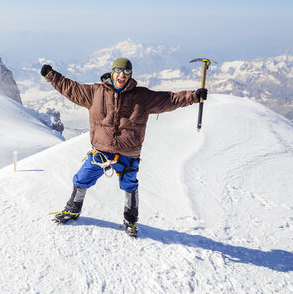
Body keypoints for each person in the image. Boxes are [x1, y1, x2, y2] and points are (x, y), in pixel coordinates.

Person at [41, 58, 207, 237]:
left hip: (127, 153)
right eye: (119, 71)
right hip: (101, 152)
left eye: (127, 72)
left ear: (131, 75)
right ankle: (73, 209)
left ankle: (130, 220)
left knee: (129, 185)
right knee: (81, 179)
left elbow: (170, 99)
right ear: (112, 72)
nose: (122, 75)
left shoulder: (142, 96)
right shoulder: (95, 92)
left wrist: (194, 96)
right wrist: (51, 75)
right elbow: (70, 88)